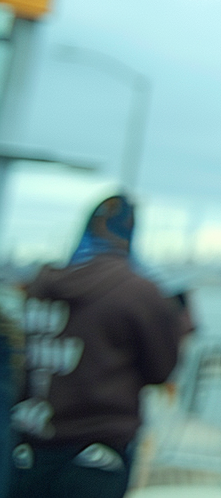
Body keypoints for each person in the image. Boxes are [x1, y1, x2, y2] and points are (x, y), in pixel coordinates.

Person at [11, 194, 186, 498]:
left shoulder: (41, 285)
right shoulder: (140, 292)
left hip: (28, 446)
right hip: (98, 453)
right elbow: (161, 370)